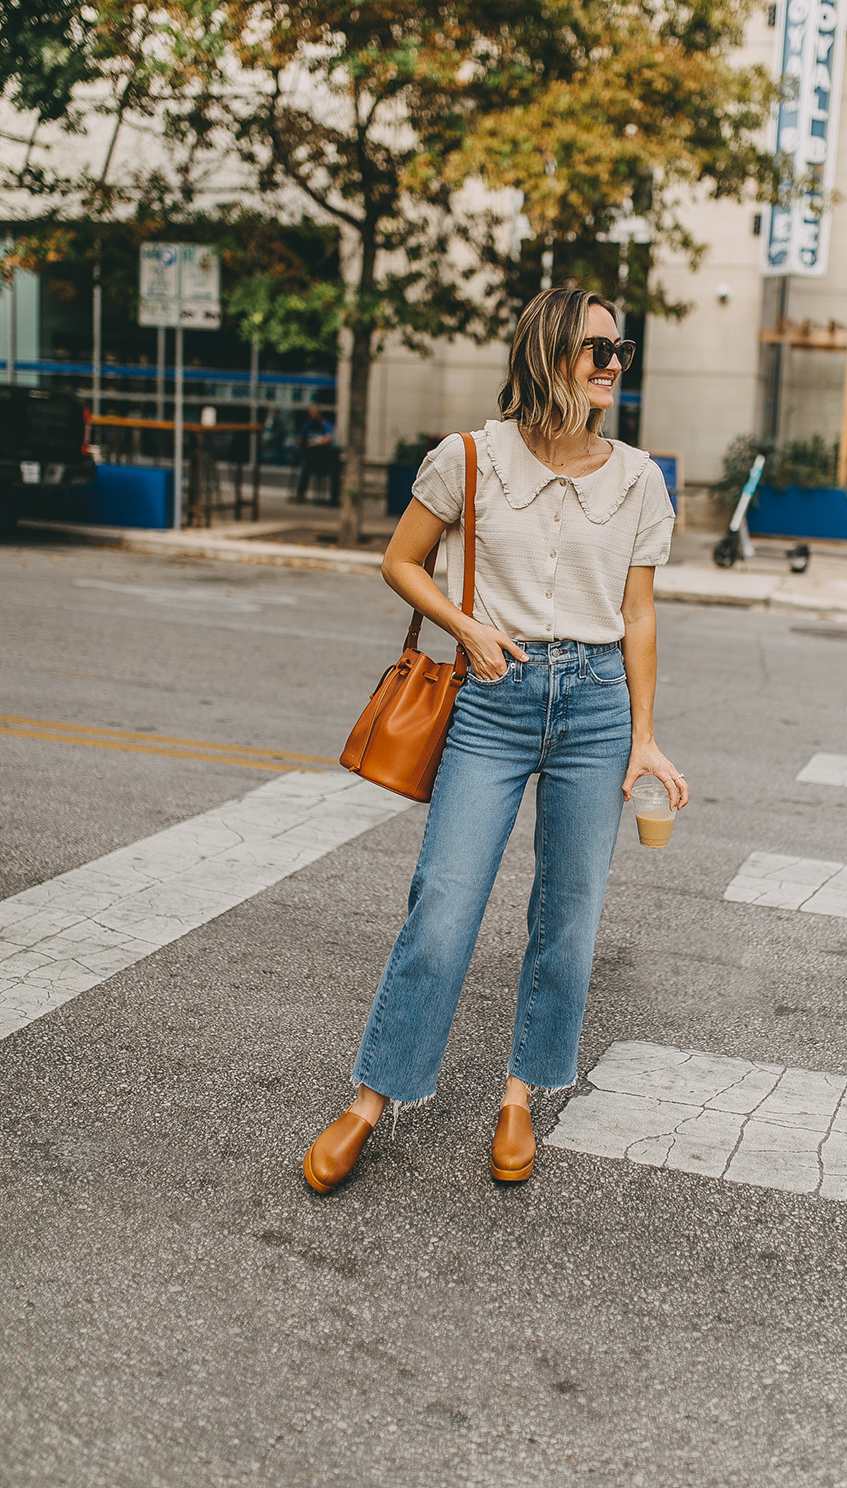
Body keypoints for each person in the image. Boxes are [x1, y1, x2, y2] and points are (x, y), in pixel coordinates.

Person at [303, 286, 689, 1193]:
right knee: (442, 906)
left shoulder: (638, 477)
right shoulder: (470, 458)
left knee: (570, 919)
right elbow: (400, 559)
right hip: (492, 695)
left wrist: (646, 738)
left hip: (595, 707)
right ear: (548, 354)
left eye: (620, 351)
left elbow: (638, 615)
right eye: (596, 349)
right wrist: (466, 626)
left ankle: (520, 1092)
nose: (611, 366)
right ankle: (373, 1097)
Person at [294, 402, 335, 502]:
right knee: (305, 465)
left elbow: (329, 438)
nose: (311, 415)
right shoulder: (308, 425)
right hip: (309, 458)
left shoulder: (325, 424)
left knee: (306, 464)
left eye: (313, 412)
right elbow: (300, 439)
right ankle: (300, 494)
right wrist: (303, 442)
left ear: (318, 413)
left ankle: (301, 493)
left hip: (322, 460)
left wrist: (316, 443)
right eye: (310, 412)